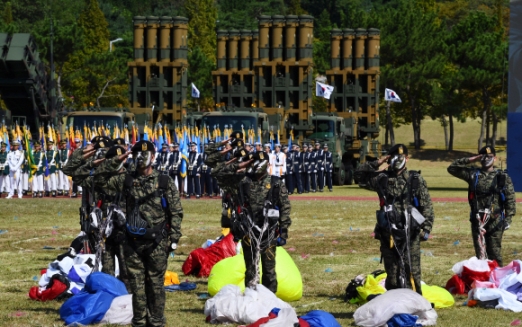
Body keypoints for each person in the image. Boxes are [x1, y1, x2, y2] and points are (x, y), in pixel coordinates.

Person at [94, 140, 183, 327]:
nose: (142, 158)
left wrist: (173, 239)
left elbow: (175, 212)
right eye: (138, 154)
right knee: (137, 285)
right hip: (132, 242)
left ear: (154, 156)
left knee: (156, 284)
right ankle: (140, 321)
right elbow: (99, 180)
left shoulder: (164, 181)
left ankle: (156, 321)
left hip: (157, 242)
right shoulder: (126, 179)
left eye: (146, 154)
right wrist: (117, 160)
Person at [354, 144, 434, 295]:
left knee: (412, 270)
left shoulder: (415, 180)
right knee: (392, 272)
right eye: (395, 156)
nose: (398, 160)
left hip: (410, 233)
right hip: (388, 233)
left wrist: (427, 228)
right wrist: (379, 161)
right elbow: (358, 175)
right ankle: (394, 303)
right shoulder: (381, 178)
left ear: (407, 158)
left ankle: (415, 302)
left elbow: (426, 206)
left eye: (402, 157)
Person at [447, 146, 516, 267]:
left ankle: (497, 280)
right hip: (477, 221)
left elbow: (510, 199)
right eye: (483, 156)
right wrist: (472, 159)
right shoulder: (473, 174)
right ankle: (483, 281)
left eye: (489, 157)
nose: (486, 159)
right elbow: (452, 168)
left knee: (495, 254)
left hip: (495, 221)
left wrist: (508, 219)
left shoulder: (502, 177)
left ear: (495, 158)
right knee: (480, 254)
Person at [238, 151, 291, 293]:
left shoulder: (275, 183)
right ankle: (251, 300)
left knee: (269, 269)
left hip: (269, 232)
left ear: (267, 164)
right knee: (251, 269)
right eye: (253, 162)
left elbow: (285, 208)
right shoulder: (243, 181)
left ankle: (269, 300)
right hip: (248, 232)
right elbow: (220, 173)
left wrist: (284, 232)